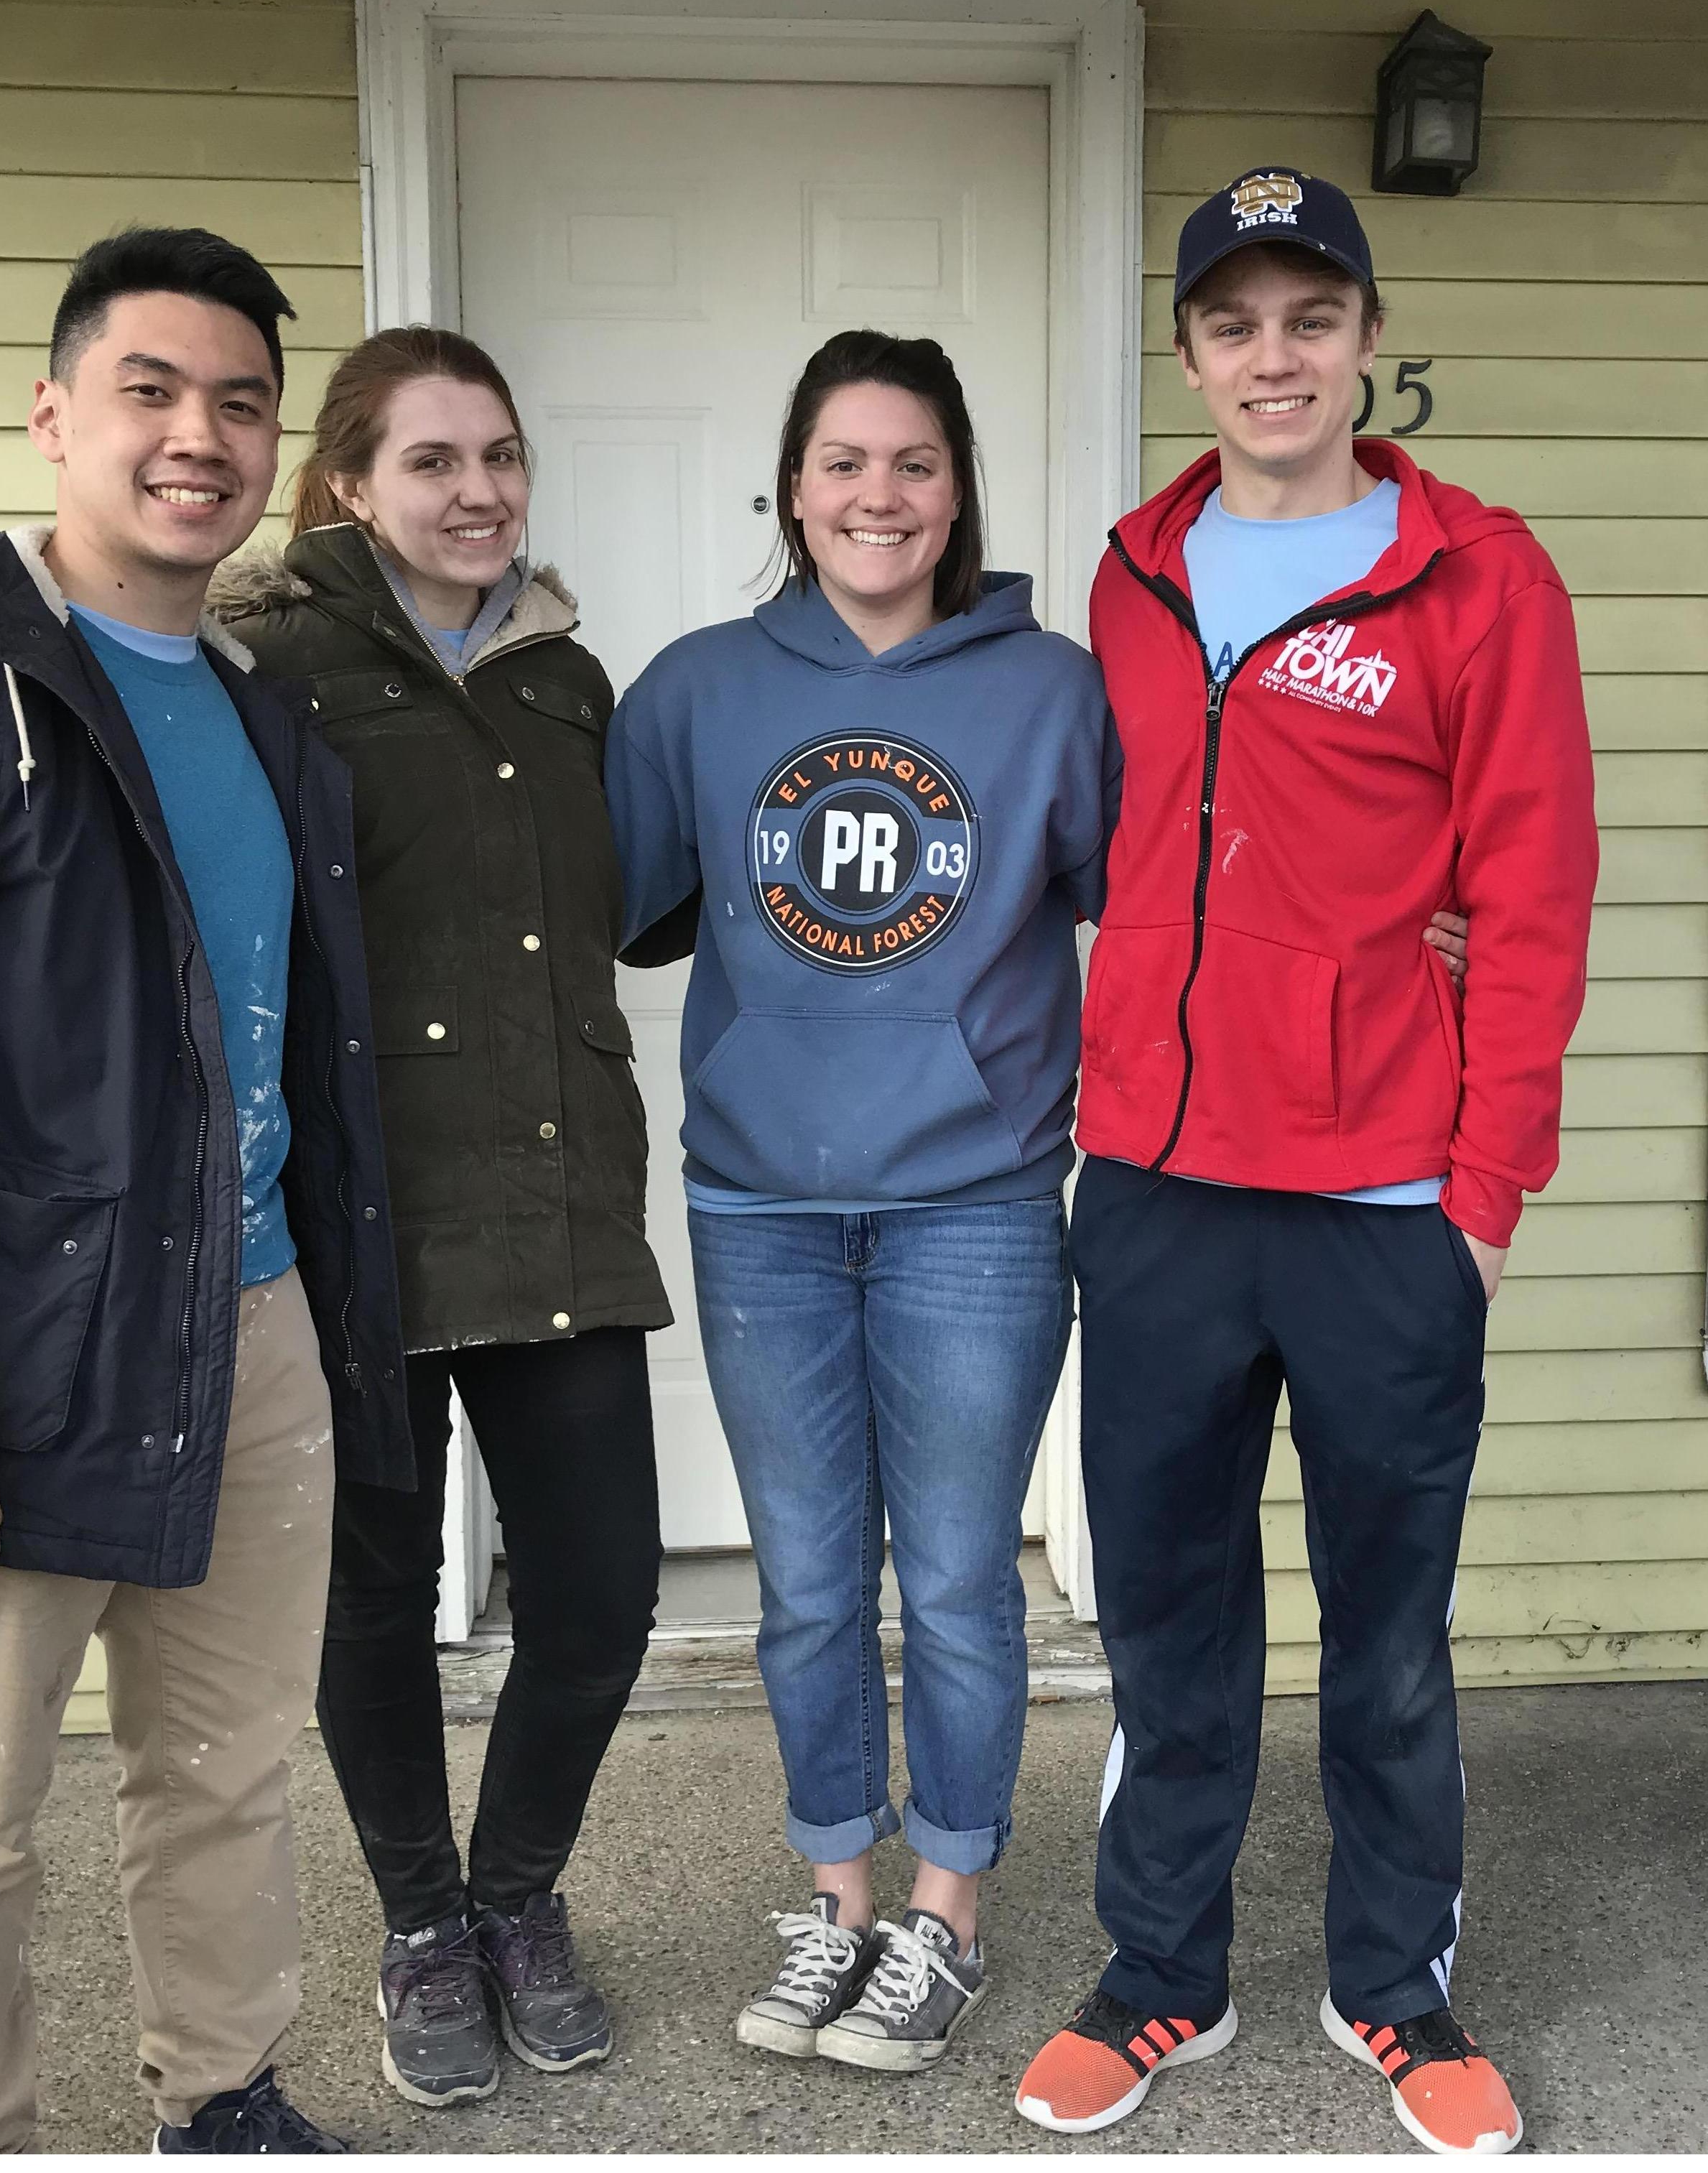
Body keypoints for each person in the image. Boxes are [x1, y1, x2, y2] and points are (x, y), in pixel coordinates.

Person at [0, 227, 414, 2154]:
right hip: (16, 1352)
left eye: (239, 402)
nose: (197, 435)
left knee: (225, 1765)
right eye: (149, 391)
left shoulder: (259, 705)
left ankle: (218, 2090)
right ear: (53, 412)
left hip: (250, 1332)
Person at [1013, 170, 1596, 2156]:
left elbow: (1530, 892)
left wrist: (1485, 1193)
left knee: (1391, 1632)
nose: (1276, 355)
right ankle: (1158, 1970)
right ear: (1192, 354)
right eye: (1236, 322)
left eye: (1311, 317)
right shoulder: (1129, 572)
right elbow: (1109, 845)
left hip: (1382, 1209)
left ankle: (1395, 1993)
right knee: (1170, 1612)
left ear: (1365, 340)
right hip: (1163, 1190)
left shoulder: (1481, 577)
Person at [603, 330, 1108, 2074]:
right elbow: (606, 901)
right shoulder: (692, 690)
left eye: (911, 462)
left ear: (955, 487)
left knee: (962, 1579)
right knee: (812, 1583)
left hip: (973, 1198)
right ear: (792, 487)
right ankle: (832, 1896)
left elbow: (1174, 895)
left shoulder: (1050, 691)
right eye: (841, 462)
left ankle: (943, 1912)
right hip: (760, 1207)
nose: (875, 495)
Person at [210, 328, 672, 2109]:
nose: (477, 492)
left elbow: (649, 901)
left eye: (500, 457)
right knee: (374, 1602)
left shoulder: (569, 684)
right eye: (433, 462)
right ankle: (421, 1923)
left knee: (602, 1594)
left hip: (559, 1208)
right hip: (363, 1221)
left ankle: (514, 1895)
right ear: (348, 483)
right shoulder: (274, 669)